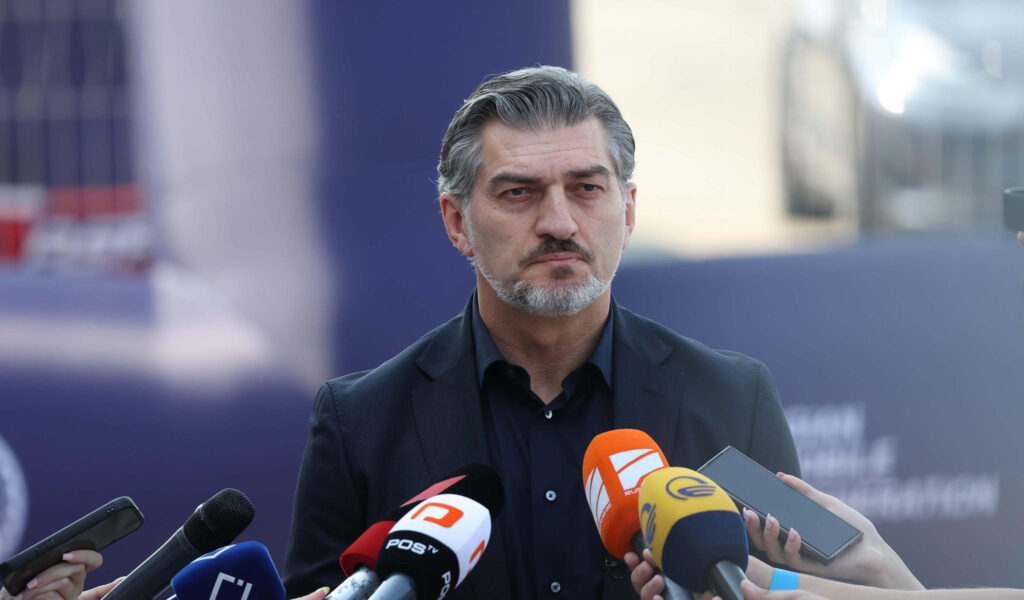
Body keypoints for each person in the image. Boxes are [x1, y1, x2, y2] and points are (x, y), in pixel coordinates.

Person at [283, 65, 800, 600]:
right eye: (518, 192)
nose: (559, 222)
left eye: (586, 188)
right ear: (457, 222)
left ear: (627, 212)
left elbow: (810, 580)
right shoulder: (359, 424)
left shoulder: (735, 400)